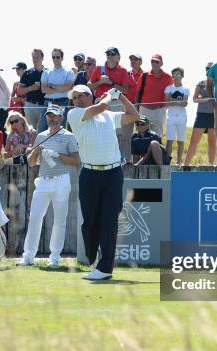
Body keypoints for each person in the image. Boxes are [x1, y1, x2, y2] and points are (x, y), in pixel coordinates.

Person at [67, 85, 139, 280]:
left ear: (91, 97)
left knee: (109, 221)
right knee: (90, 222)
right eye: (75, 97)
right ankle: (93, 258)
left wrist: (121, 96)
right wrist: (109, 97)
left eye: (82, 96)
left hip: (113, 173)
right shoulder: (75, 114)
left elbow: (134, 115)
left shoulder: (108, 116)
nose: (78, 99)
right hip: (89, 174)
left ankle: (105, 267)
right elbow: (98, 108)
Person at [17, 105, 80, 267]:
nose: (52, 119)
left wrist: (58, 156)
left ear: (60, 118)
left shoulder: (69, 136)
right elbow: (31, 162)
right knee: (35, 218)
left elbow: (76, 160)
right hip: (43, 180)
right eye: (49, 116)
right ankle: (28, 256)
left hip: (61, 180)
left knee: (59, 220)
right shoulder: (41, 136)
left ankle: (55, 258)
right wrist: (37, 152)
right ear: (46, 118)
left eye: (55, 116)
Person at [88, 47, 135, 161]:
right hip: (101, 102)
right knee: (99, 131)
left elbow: (125, 90)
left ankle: (118, 158)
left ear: (118, 57)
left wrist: (111, 83)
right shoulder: (99, 69)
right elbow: (89, 86)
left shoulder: (123, 70)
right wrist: (100, 82)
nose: (109, 56)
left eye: (112, 54)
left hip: (116, 103)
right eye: (108, 54)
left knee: (118, 133)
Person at [185, 62, 216, 166]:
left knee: (212, 142)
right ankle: (185, 165)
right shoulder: (201, 83)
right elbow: (194, 99)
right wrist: (205, 99)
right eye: (207, 68)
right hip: (201, 115)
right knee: (193, 142)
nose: (208, 70)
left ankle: (211, 165)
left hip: (214, 116)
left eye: (210, 68)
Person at [136, 54, 173, 139]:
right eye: (152, 61)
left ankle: (156, 151)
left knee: (158, 135)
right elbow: (138, 93)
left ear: (161, 63)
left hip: (159, 110)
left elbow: (170, 94)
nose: (154, 64)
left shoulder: (168, 77)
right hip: (144, 109)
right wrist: (137, 108)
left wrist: (164, 108)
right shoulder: (144, 75)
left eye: (156, 62)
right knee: (142, 134)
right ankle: (143, 152)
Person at [38, 48, 75, 132]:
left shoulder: (69, 71)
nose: (55, 59)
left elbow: (68, 88)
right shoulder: (46, 71)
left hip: (63, 102)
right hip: (48, 103)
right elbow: (43, 89)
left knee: (61, 130)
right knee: (41, 129)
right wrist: (61, 88)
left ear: (62, 58)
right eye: (53, 57)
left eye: (58, 57)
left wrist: (51, 86)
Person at [164, 67, 189, 165]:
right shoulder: (168, 88)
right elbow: (167, 102)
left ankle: (179, 161)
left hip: (182, 117)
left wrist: (172, 100)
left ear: (182, 76)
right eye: (174, 74)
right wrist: (178, 101)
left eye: (178, 74)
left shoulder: (185, 89)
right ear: (172, 76)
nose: (176, 76)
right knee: (169, 139)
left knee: (180, 140)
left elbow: (185, 103)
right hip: (171, 117)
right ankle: (167, 161)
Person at [17, 49, 46, 129]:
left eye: (37, 57)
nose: (35, 59)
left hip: (44, 105)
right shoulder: (26, 73)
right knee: (31, 132)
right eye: (33, 57)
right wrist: (31, 88)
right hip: (29, 105)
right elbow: (20, 90)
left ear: (42, 58)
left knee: (43, 131)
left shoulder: (48, 72)